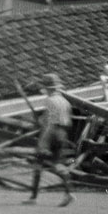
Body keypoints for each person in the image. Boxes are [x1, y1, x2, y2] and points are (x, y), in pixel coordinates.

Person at [24, 73, 75, 207]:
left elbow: (48, 123)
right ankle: (68, 192)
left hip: (51, 132)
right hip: (62, 133)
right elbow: (68, 122)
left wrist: (43, 140)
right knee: (57, 164)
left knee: (38, 163)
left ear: (48, 88)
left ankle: (33, 197)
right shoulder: (65, 102)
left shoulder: (49, 101)